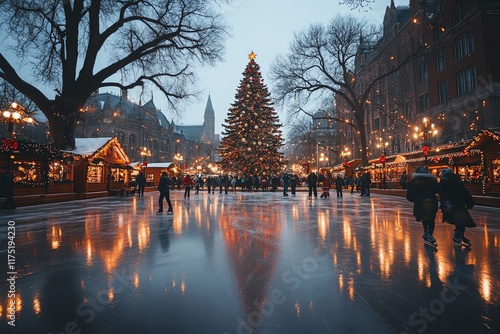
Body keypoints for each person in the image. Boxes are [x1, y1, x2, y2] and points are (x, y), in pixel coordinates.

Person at [439, 168, 476, 247]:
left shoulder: (444, 181)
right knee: (460, 221)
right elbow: (464, 191)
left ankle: (458, 235)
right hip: (458, 203)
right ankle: (458, 235)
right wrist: (469, 202)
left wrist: (445, 204)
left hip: (451, 204)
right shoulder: (456, 180)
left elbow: (442, 194)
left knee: (459, 221)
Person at [406, 166, 439, 247]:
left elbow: (409, 196)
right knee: (431, 219)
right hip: (431, 202)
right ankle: (430, 234)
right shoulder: (433, 181)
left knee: (425, 218)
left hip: (420, 203)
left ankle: (426, 232)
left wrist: (416, 199)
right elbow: (439, 190)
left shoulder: (413, 182)